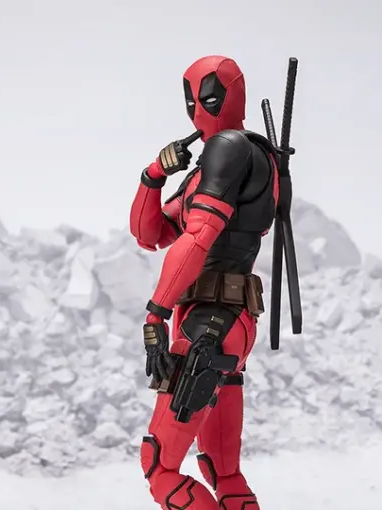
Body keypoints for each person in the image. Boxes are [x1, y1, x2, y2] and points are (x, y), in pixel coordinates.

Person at [129, 55, 280, 510]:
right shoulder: (237, 158)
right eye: (193, 99)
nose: (198, 109)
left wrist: (156, 313)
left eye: (205, 98)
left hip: (209, 325)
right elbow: (151, 234)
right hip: (228, 323)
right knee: (223, 471)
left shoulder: (229, 149)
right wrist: (154, 175)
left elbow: (199, 235)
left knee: (160, 467)